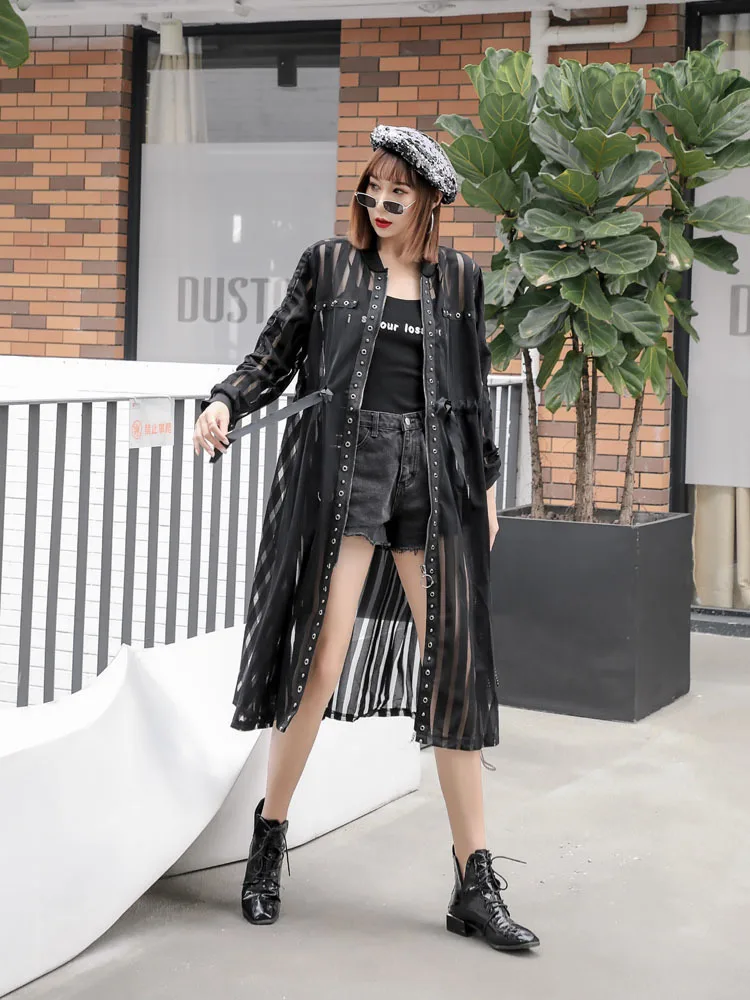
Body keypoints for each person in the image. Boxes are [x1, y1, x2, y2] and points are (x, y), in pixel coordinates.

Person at [193, 125, 539, 952]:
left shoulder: (461, 280)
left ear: (430, 203)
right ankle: (270, 837)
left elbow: (469, 398)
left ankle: (474, 879)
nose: (380, 205)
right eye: (372, 191)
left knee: (454, 671)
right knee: (320, 660)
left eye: (398, 194)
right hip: (347, 469)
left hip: (436, 477)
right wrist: (226, 401)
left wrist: (488, 491)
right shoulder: (329, 267)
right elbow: (275, 353)